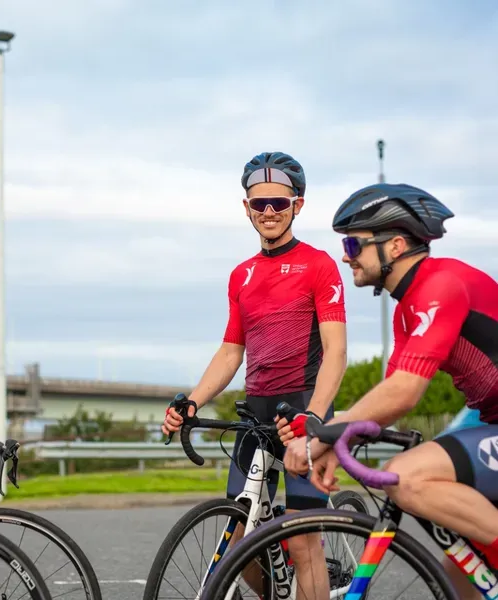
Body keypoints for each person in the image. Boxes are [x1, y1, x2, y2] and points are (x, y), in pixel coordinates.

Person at [284, 182, 498, 599]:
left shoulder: (442, 285)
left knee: (404, 476)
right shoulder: (407, 310)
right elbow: (388, 397)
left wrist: (323, 434)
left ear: (395, 246)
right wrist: (334, 443)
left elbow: (405, 391)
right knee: (462, 577)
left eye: (353, 243)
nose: (346, 255)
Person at [162, 151, 348, 599]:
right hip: (255, 417)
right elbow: (231, 353)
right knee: (238, 548)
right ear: (245, 207)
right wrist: (192, 402)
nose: (268, 212)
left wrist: (315, 418)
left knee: (304, 545)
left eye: (279, 204)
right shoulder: (241, 275)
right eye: (259, 203)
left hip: (303, 409)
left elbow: (337, 352)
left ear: (297, 205)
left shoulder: (318, 265)